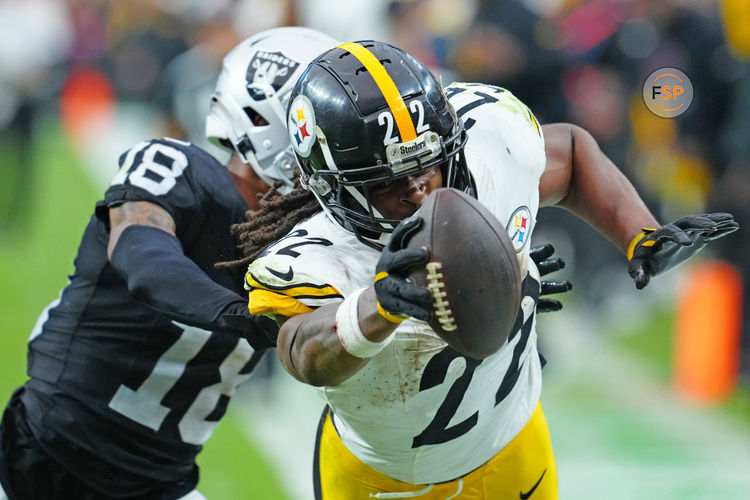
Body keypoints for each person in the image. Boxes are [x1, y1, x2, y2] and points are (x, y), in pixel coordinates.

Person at [231, 41, 739, 499]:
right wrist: (377, 306)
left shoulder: (488, 145)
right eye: (390, 181)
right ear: (334, 188)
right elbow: (302, 353)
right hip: (381, 483)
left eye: (427, 165)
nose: (419, 191)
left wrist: (638, 233)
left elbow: (571, 152)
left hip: (514, 444)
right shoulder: (316, 257)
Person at [0, 27, 339, 500]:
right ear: (273, 126)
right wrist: (250, 317)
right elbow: (142, 255)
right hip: (49, 460)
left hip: (161, 481)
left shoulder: (313, 240)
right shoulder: (179, 170)